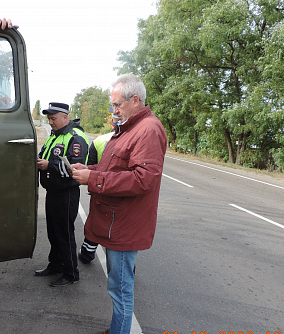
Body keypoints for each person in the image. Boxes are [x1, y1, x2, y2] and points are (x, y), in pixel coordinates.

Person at [72, 74, 167, 334]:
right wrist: (89, 169)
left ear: (135, 100)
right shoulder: (130, 128)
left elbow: (142, 179)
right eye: (112, 105)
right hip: (119, 221)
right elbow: (113, 167)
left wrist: (94, 178)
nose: (114, 111)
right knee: (118, 285)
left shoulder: (147, 129)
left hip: (125, 225)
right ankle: (118, 328)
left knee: (121, 288)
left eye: (117, 105)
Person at [36, 102, 89, 287]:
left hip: (66, 194)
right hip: (53, 192)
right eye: (49, 119)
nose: (50, 122)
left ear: (65, 117)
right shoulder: (55, 136)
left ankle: (71, 273)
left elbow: (75, 169)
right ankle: (56, 264)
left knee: (65, 234)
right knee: (53, 232)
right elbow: (45, 154)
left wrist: (48, 165)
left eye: (53, 118)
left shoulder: (76, 138)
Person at [78, 107, 117, 264]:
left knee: (96, 224)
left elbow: (91, 165)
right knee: (115, 232)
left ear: (111, 122)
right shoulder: (130, 139)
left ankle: (87, 253)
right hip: (119, 192)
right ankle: (123, 265)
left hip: (100, 189)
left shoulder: (100, 140)